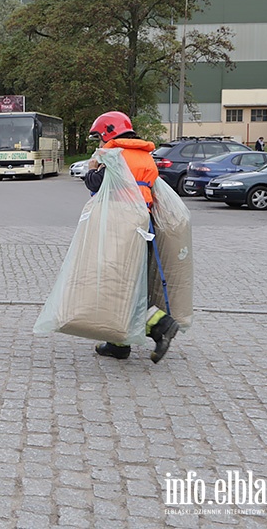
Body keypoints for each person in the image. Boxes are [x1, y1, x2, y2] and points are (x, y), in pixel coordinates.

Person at [83, 111, 180, 363]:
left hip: (120, 226)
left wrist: (90, 169)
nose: (99, 144)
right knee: (129, 282)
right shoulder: (145, 156)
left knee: (117, 284)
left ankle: (161, 325)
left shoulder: (116, 156)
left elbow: (97, 184)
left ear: (109, 132)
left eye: (99, 138)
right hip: (142, 225)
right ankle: (118, 344)